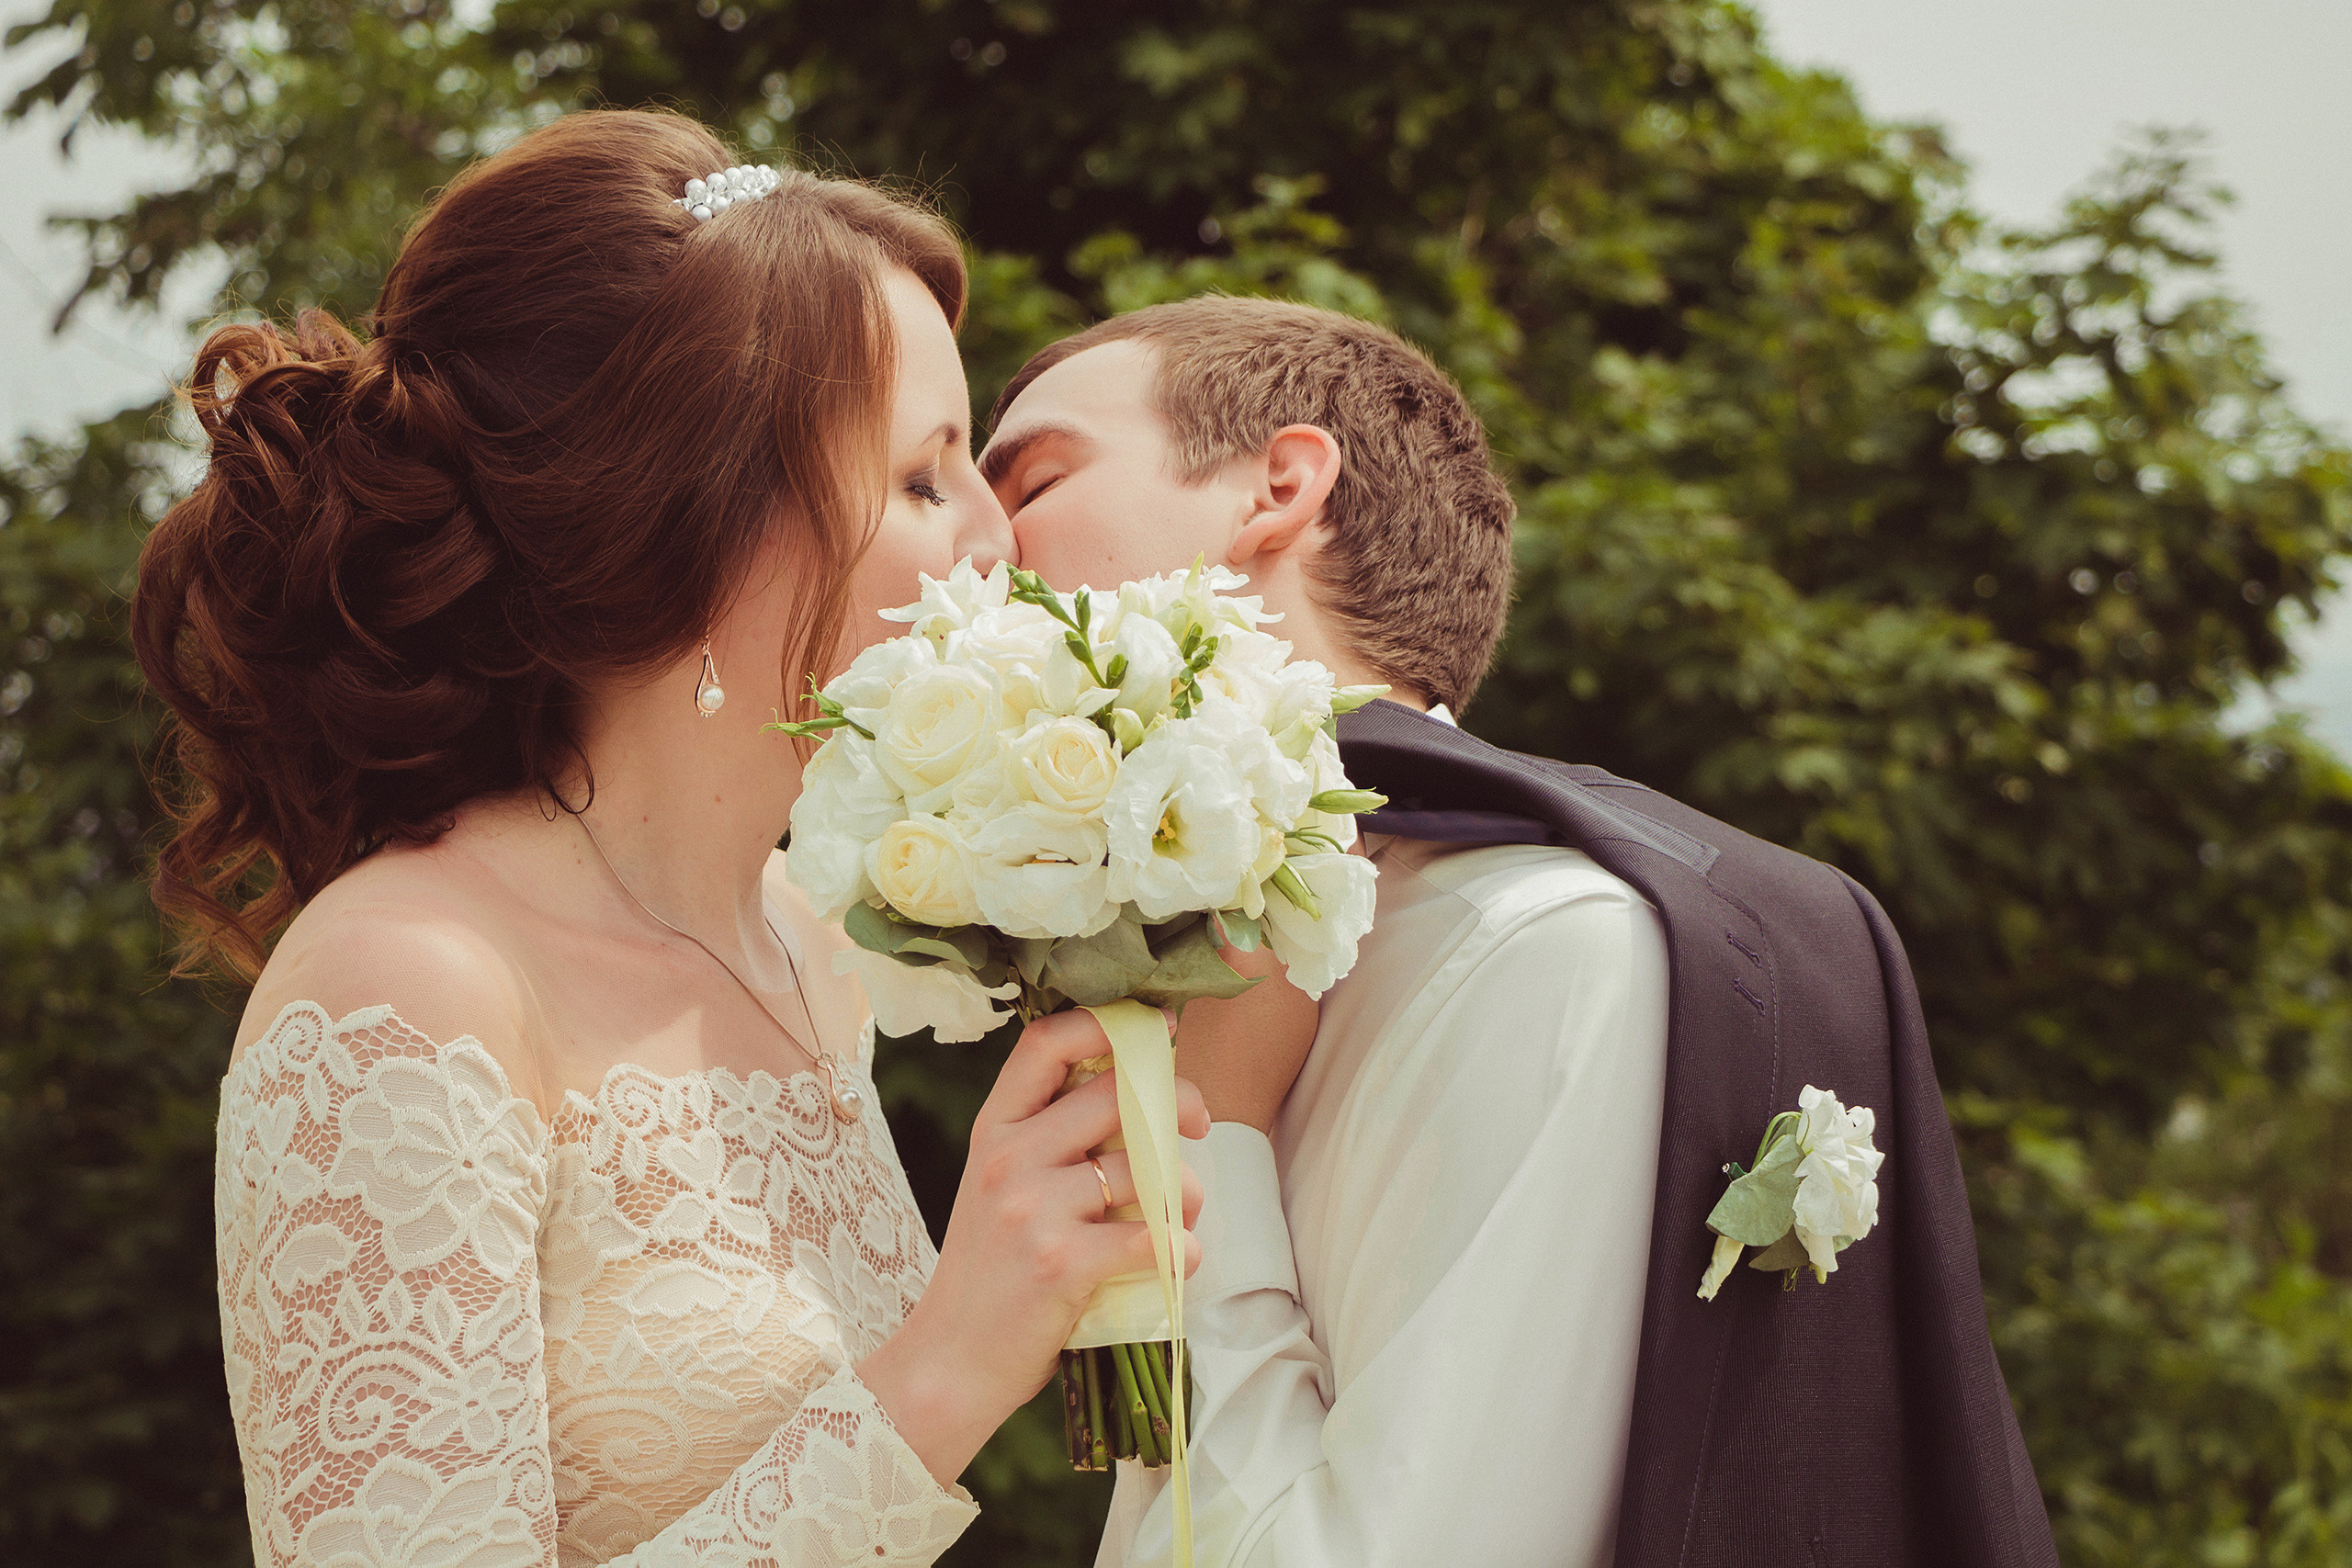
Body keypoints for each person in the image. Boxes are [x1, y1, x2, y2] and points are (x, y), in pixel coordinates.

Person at [133, 111, 1229, 1568]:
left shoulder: (807, 940)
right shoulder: (407, 988)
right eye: (921, 478)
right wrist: (949, 1367)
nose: (994, 535)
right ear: (702, 529)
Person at [983, 298, 2059, 1567]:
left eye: (1033, 478)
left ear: (1277, 486)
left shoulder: (1549, 952)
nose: (970, 548)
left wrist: (1222, 1136)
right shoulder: (1184, 962)